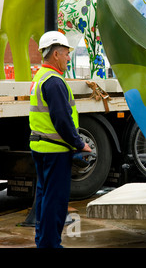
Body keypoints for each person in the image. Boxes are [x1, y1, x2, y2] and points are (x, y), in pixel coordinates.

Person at [29, 31, 91, 248]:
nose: (68, 58)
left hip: (42, 147)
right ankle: (50, 245)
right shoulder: (54, 81)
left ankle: (44, 242)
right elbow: (62, 119)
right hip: (55, 151)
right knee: (55, 201)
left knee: (45, 198)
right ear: (55, 54)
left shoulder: (40, 77)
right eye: (66, 54)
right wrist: (79, 143)